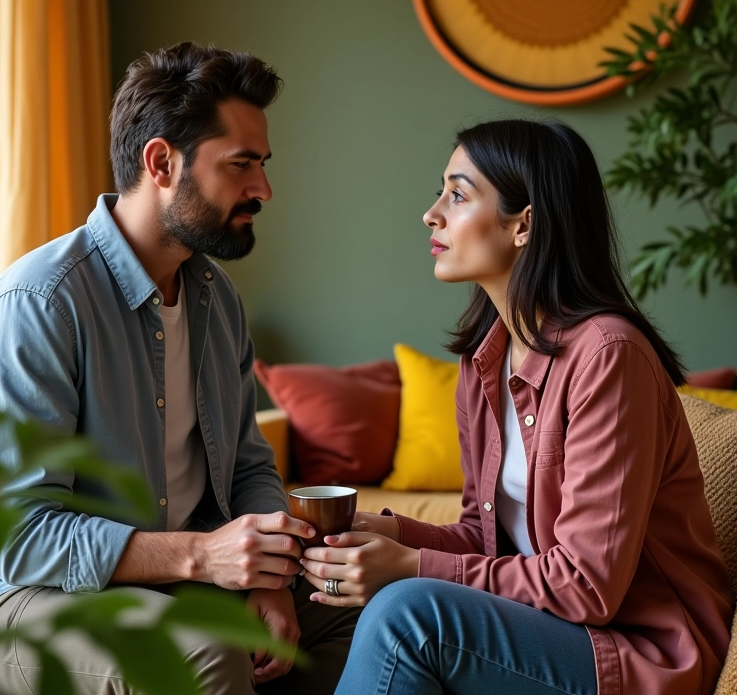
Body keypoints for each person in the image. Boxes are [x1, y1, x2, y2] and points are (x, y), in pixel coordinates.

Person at [0, 42, 358, 695]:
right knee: (200, 652)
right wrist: (203, 556)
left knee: (370, 616)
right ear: (161, 162)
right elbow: (22, 537)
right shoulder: (39, 302)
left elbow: (248, 464)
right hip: (25, 599)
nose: (263, 189)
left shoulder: (216, 296)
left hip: (185, 582)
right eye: (242, 165)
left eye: (262, 165)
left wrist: (272, 585)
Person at [299, 119, 733, 695]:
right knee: (302, 602)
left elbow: (587, 586)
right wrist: (384, 533)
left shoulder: (609, 357)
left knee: (408, 615)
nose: (432, 214)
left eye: (457, 194)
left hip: (636, 651)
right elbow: (485, 542)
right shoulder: (484, 362)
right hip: (544, 628)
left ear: (524, 224)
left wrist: (408, 567)